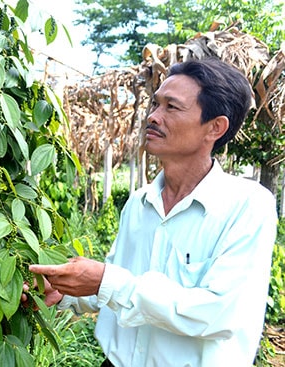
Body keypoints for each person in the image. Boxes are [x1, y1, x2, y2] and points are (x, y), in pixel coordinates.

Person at [26, 58, 278, 367]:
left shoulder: (247, 206)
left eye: (171, 107)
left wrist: (107, 281)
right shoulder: (139, 202)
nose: (153, 117)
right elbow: (116, 284)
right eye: (155, 104)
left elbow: (219, 313)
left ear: (215, 127)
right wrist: (64, 292)